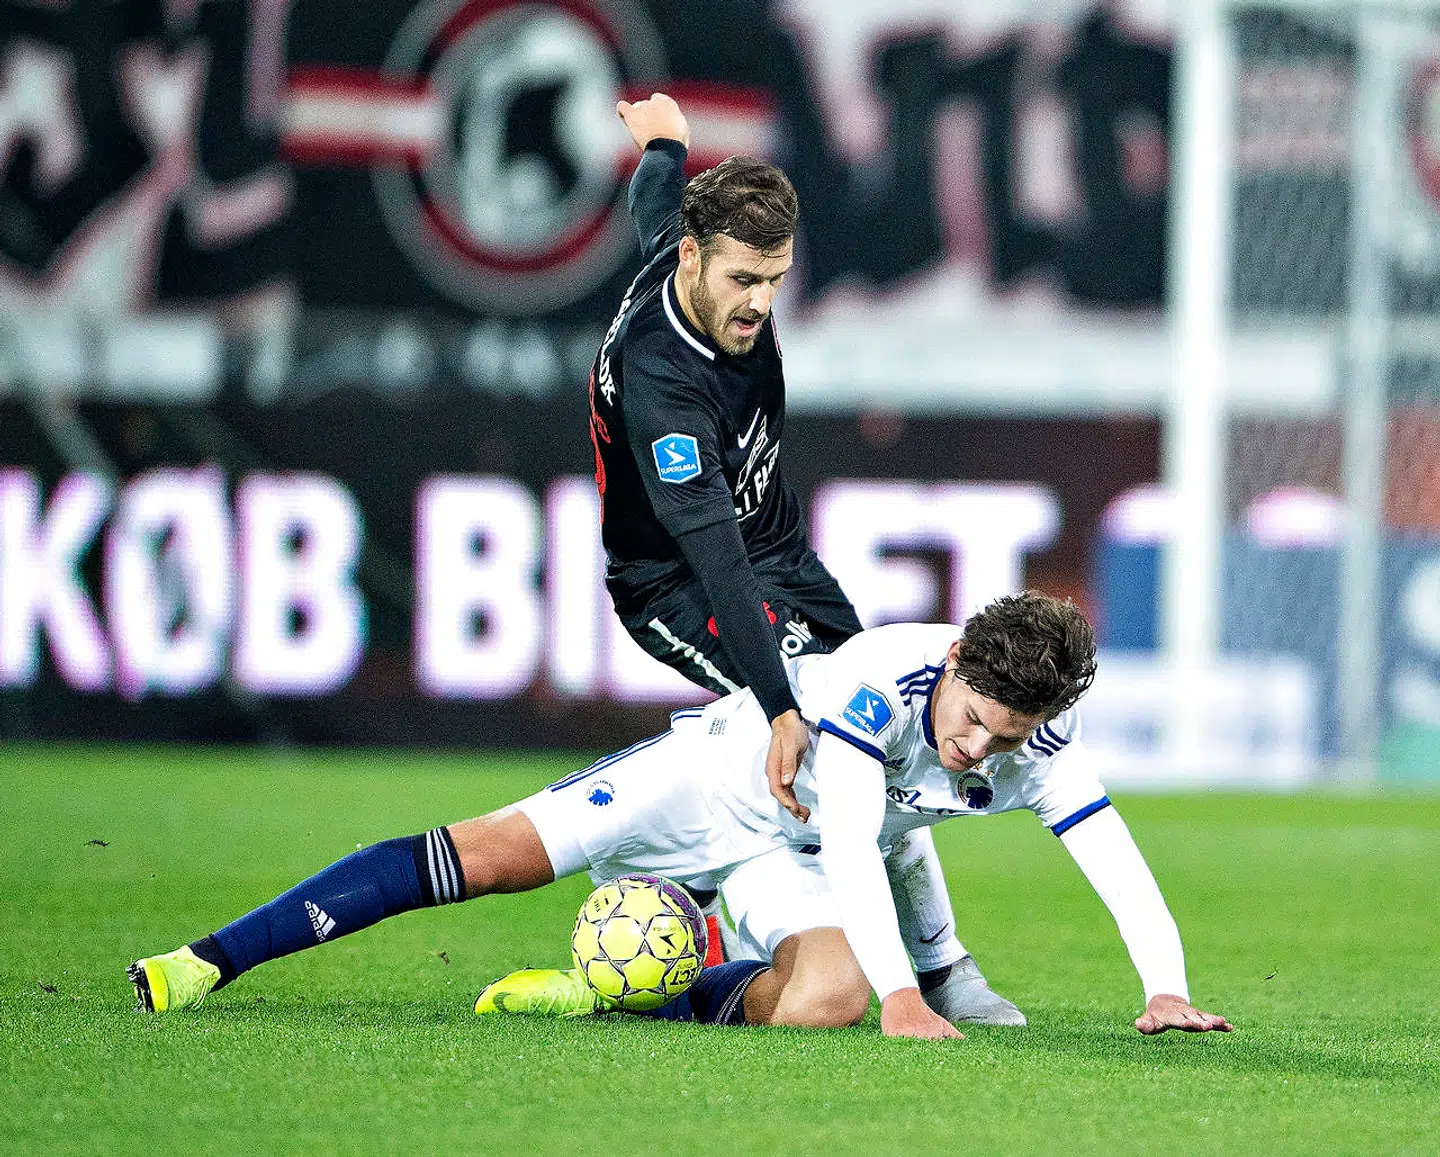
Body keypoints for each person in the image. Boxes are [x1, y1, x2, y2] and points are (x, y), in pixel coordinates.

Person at [129, 592, 1232, 1041]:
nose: (979, 750)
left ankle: (615, 995)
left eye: (1008, 734)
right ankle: (208, 958)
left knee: (824, 999)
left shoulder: (1032, 733)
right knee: (488, 857)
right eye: (976, 720)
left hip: (779, 855)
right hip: (703, 783)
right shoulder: (880, 675)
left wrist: (1164, 984)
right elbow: (857, 831)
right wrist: (915, 995)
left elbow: (1114, 859)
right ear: (952, 662)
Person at [588, 92, 992, 1024]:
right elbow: (714, 558)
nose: (761, 304)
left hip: (779, 552)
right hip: (680, 585)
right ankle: (897, 956)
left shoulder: (686, 258)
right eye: (745, 281)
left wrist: (666, 143)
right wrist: (777, 706)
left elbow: (659, 206)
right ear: (697, 262)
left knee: (890, 716)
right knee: (824, 739)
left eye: (775, 280)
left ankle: (932, 958)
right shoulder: (663, 388)